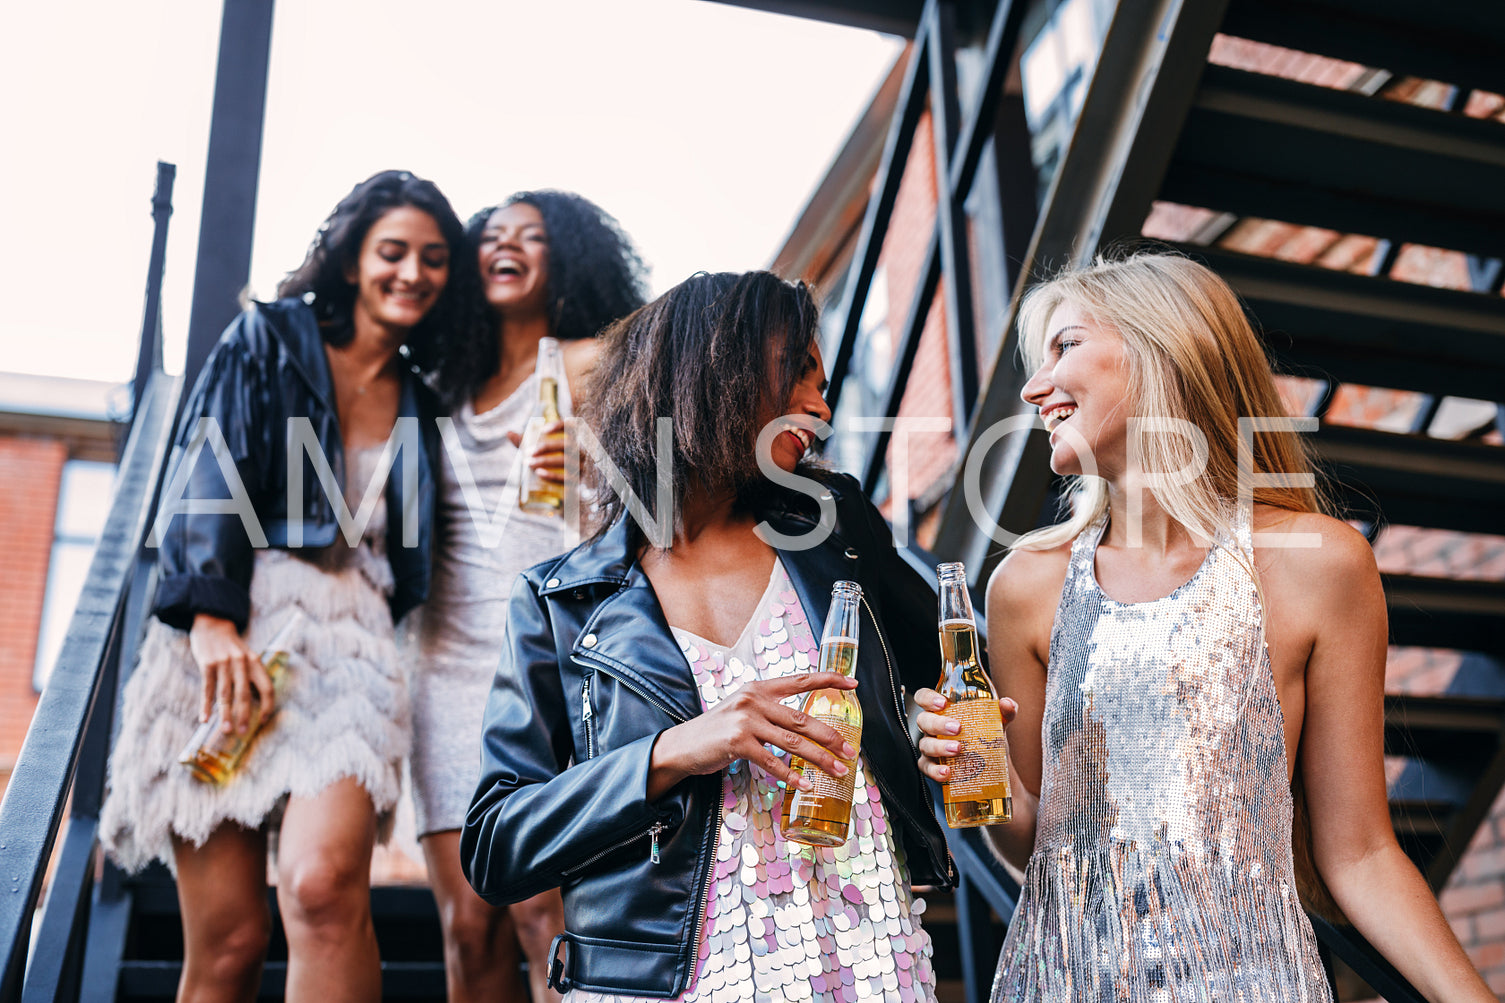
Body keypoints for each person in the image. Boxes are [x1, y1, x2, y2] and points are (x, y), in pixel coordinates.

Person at [914, 252, 1493, 1000]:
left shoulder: (1320, 565)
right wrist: (976, 767)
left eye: (1063, 346)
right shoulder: (1025, 585)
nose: (1031, 389)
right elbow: (1040, 848)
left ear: (1161, 345)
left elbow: (1360, 854)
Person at [461, 271, 953, 1001]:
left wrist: (940, 726)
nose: (820, 405)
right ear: (710, 374)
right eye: (796, 374)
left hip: (861, 965)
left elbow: (938, 674)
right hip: (663, 982)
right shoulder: (560, 599)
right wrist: (672, 751)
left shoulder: (835, 527)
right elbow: (497, 843)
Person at [101, 170, 472, 1002]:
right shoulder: (267, 338)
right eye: (393, 251)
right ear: (350, 260)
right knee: (229, 940)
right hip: (233, 623)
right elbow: (211, 464)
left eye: (435, 257)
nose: (413, 271)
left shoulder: (421, 401)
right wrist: (209, 619)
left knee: (318, 885)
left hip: (353, 642)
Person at [412, 190, 647, 1002]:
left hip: (541, 653)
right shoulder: (438, 381)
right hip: (440, 661)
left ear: (568, 257)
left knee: (543, 910)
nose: (504, 245)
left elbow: (660, 480)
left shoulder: (585, 360)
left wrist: (587, 458)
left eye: (531, 235)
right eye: (490, 234)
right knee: (465, 925)